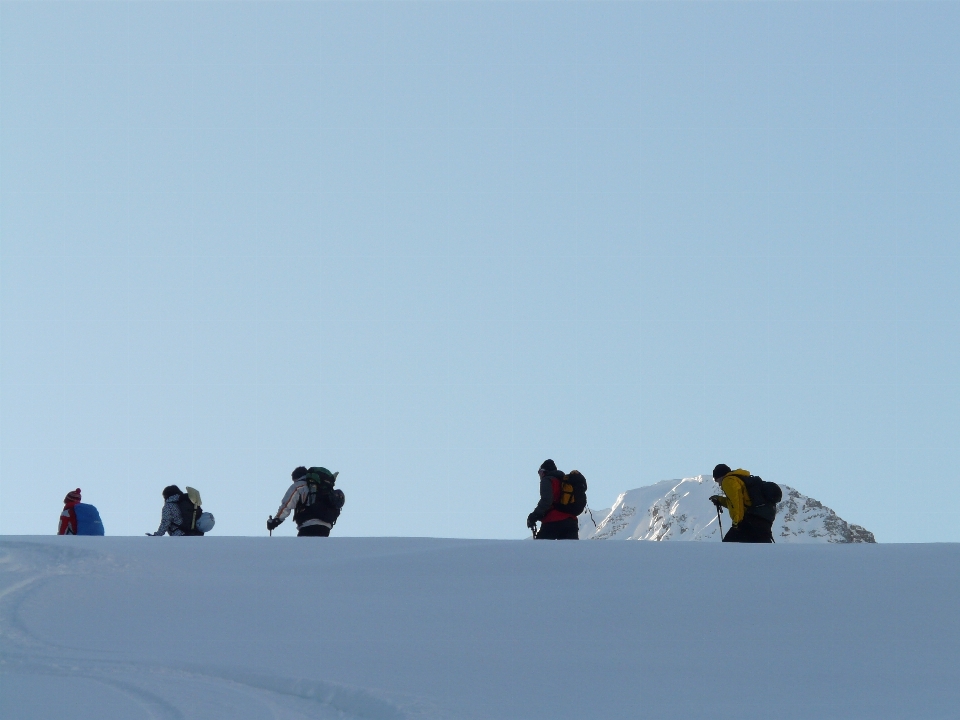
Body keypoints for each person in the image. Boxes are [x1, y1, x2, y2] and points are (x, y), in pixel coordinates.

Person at [267, 466, 345, 537]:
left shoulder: (299, 485)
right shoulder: (322, 486)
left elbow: (287, 504)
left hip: (308, 525)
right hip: (326, 526)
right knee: (319, 550)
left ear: (296, 478)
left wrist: (276, 520)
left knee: (304, 550)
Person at [709, 464, 775, 543]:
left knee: (727, 546)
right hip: (763, 518)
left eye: (717, 481)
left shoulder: (728, 480)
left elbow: (736, 502)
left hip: (751, 519)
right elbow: (738, 502)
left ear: (720, 476)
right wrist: (720, 500)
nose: (719, 484)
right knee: (762, 549)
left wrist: (736, 523)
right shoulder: (741, 479)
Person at [526, 459, 579, 540]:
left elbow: (547, 501)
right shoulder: (565, 481)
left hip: (553, 521)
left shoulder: (547, 480)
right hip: (571, 522)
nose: (540, 475)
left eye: (540, 472)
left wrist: (534, 516)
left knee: (539, 550)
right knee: (570, 552)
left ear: (544, 471)